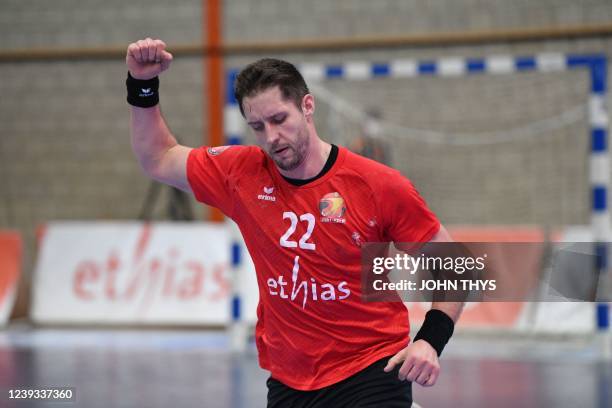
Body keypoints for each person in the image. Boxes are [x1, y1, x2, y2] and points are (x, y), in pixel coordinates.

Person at [126, 37, 464, 407]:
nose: (271, 137)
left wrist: (430, 339)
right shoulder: (242, 174)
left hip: (371, 371)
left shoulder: (377, 185)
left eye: (278, 119)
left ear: (307, 106)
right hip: (289, 381)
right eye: (257, 126)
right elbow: (157, 158)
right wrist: (143, 84)